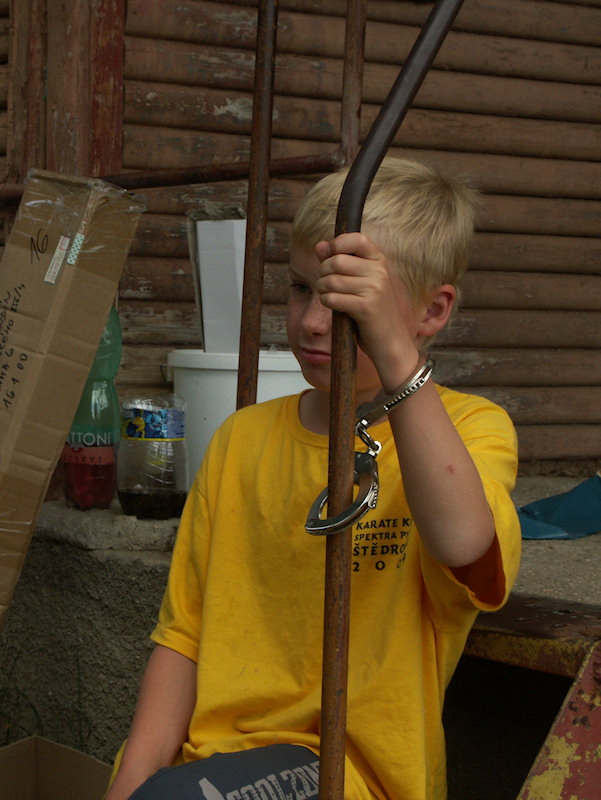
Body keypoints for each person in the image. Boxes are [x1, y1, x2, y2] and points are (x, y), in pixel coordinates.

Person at [105, 157, 521, 800]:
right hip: (212, 765)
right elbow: (184, 637)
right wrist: (129, 783)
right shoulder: (241, 441)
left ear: (433, 312)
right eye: (302, 289)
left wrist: (395, 354)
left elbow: (464, 540)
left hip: (351, 776)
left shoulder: (471, 431)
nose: (313, 321)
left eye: (351, 303)